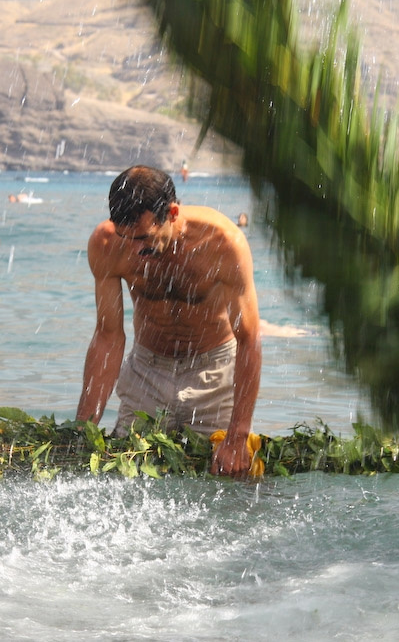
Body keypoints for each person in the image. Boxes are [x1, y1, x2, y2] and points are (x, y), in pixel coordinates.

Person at [76, 165, 262, 477]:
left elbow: (248, 339)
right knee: (124, 475)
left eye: (144, 238)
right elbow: (108, 336)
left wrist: (237, 436)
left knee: (232, 477)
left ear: (172, 213)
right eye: (126, 237)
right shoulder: (106, 244)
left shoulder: (222, 243)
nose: (135, 249)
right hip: (146, 372)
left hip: (213, 375)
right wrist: (83, 427)